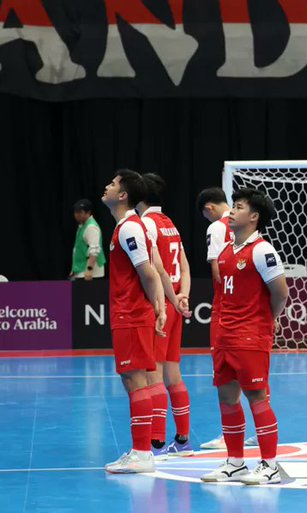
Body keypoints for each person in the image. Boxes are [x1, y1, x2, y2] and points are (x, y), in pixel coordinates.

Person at [201, 188, 290, 485]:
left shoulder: (263, 250)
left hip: (251, 335)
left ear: (253, 217)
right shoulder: (226, 251)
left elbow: (280, 293)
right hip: (225, 336)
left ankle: (270, 465)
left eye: (237, 207)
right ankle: (235, 463)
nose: (231, 212)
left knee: (257, 397)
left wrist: (264, 321)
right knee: (227, 398)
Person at [101, 169, 168, 474]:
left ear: (124, 195)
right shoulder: (125, 228)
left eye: (113, 184)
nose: (107, 187)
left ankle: (142, 453)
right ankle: (141, 450)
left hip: (132, 314)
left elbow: (149, 271)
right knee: (132, 382)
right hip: (127, 314)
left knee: (135, 380)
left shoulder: (129, 229)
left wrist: (160, 309)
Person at [138, 173, 194, 457]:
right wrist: (182, 296)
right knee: (173, 372)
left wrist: (165, 301)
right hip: (173, 303)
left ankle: (156, 442)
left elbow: (157, 270)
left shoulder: (145, 224)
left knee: (154, 375)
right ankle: (183, 440)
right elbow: (184, 267)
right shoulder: (170, 224)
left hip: (159, 305)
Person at [196, 187, 256, 451]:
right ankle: (256, 431)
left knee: (227, 376)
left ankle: (230, 435)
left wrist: (224, 302)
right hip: (249, 309)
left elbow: (217, 269)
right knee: (254, 374)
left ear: (209, 209)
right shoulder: (247, 230)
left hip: (227, 309)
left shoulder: (216, 228)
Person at [70, 199, 105, 280]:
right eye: (75, 212)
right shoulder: (82, 226)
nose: (77, 215)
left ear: (88, 212)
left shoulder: (91, 227)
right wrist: (74, 270)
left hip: (90, 274)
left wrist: (89, 269)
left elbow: (95, 250)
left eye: (80, 212)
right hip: (81, 271)